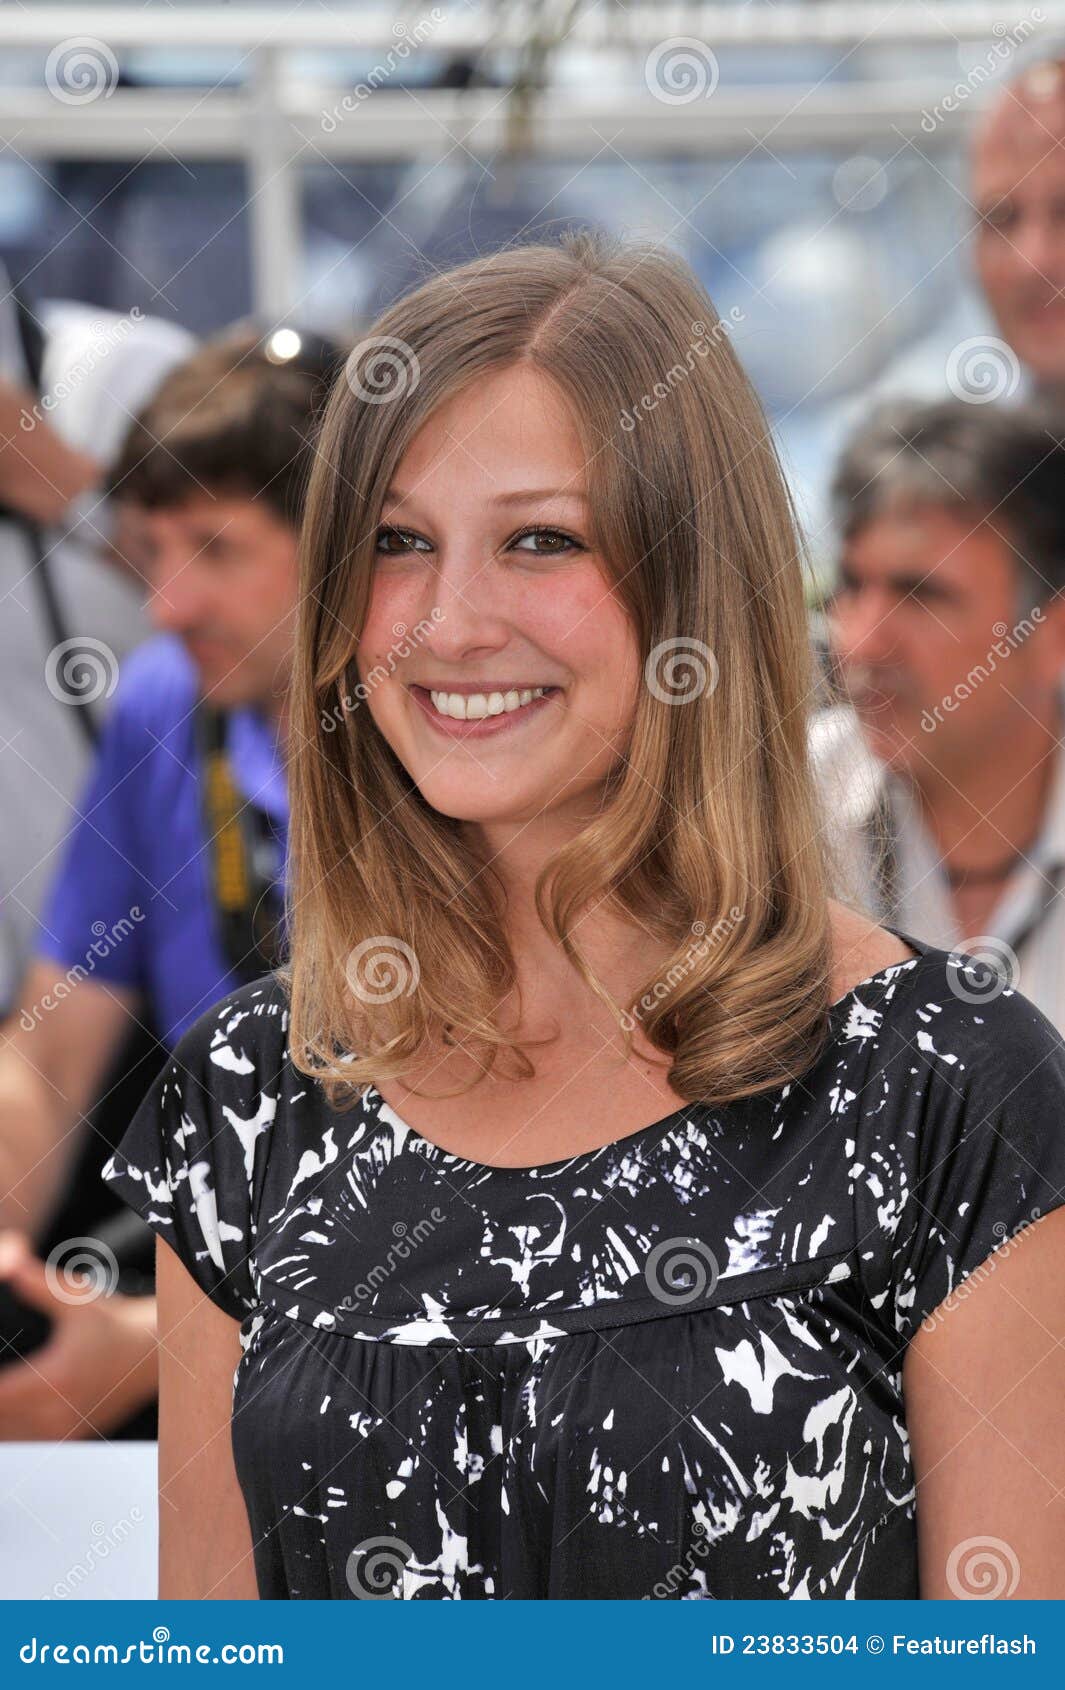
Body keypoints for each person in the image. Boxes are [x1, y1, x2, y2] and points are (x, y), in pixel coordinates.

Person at [102, 232, 1065, 1600]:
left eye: (540, 539)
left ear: (693, 582)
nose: (448, 621)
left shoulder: (949, 1087)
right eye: (396, 543)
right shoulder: (253, 1095)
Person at [0, 324, 342, 1440]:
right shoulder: (163, 707)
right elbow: (51, 1054)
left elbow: (500, 1218)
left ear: (353, 543)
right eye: (155, 550)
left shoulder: (470, 760)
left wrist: (147, 1352)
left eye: (217, 548)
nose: (168, 603)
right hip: (227, 1304)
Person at [818, 397, 1065, 1033]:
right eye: (849, 587)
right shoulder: (772, 818)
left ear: (1053, 634)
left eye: (921, 594)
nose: (861, 642)